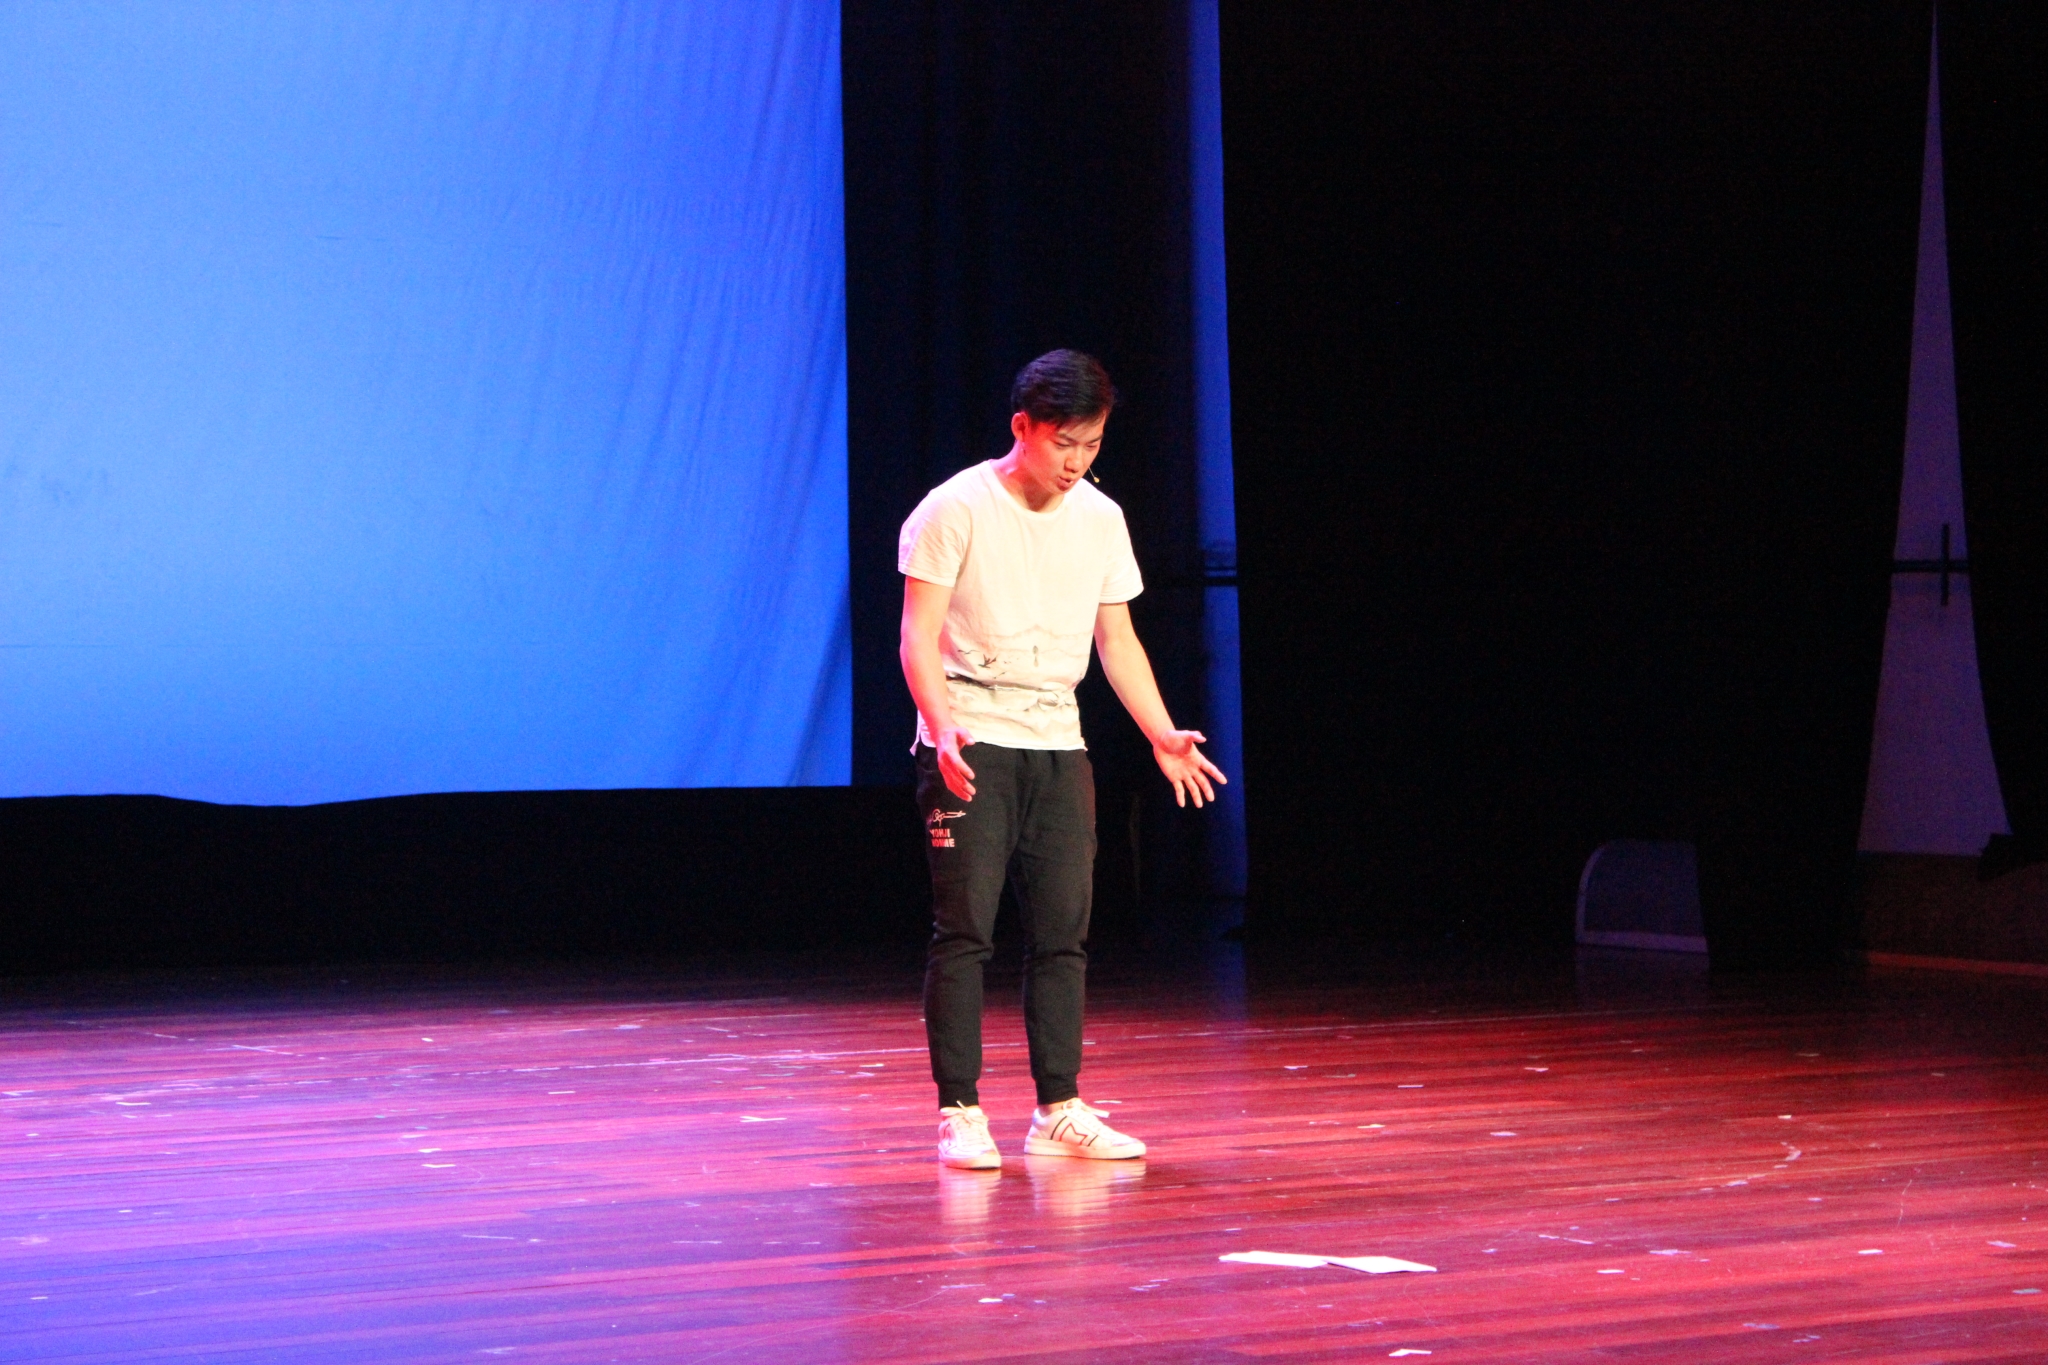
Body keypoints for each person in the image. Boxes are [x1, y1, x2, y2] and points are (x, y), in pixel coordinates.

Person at [897, 349, 1227, 1170]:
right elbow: (916, 635)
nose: (1077, 461)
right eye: (1063, 442)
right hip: (972, 735)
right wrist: (941, 726)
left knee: (1062, 933)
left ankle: (1059, 1106)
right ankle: (960, 1110)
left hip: (1057, 742)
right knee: (965, 931)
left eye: (1092, 443)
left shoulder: (1100, 519)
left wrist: (1160, 731)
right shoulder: (955, 508)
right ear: (1023, 426)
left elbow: (1117, 641)